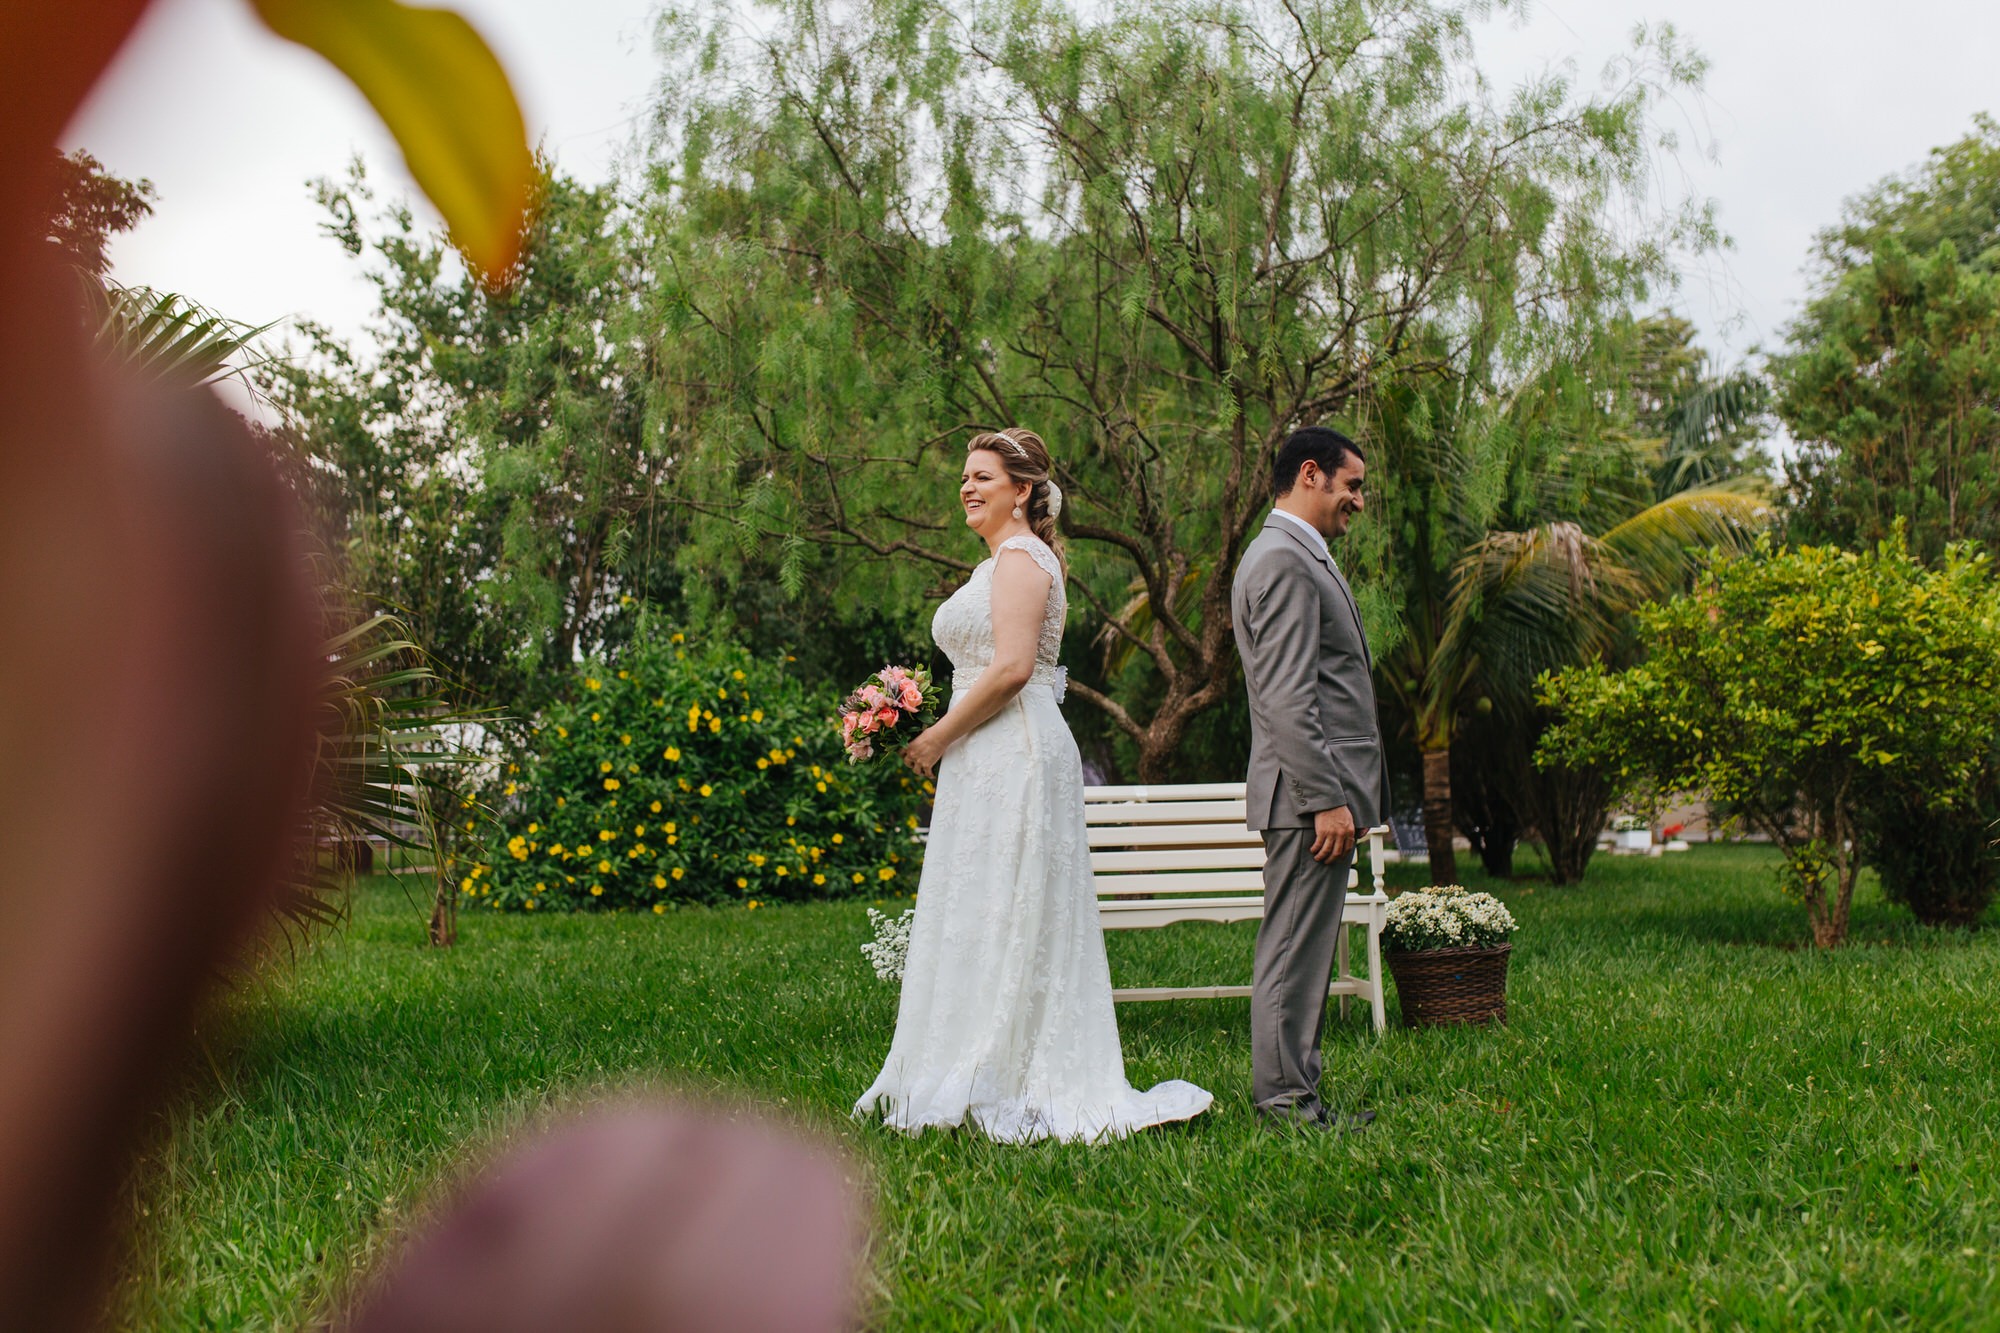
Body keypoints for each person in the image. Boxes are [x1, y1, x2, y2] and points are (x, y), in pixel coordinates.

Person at [853, 428, 1212, 1143]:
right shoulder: (997, 565)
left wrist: (936, 734)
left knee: (1013, 902)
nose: (968, 486)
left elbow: (1013, 667)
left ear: (1023, 490)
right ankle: (970, 1059)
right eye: (964, 475)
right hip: (985, 751)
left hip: (1011, 748)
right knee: (984, 902)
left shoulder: (1021, 558)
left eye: (983, 475)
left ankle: (1007, 1071)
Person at [1229, 426, 1390, 1132]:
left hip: (1312, 796)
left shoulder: (1293, 556)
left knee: (1305, 950)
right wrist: (1327, 798)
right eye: (1352, 485)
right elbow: (1289, 698)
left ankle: (1301, 1094)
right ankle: (1288, 1106)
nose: (1358, 500)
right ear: (1311, 474)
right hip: (1307, 799)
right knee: (1294, 952)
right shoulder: (1285, 560)